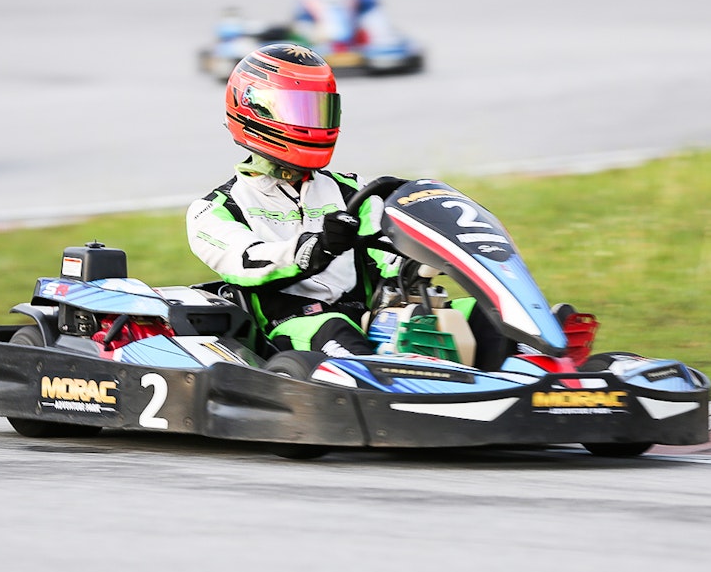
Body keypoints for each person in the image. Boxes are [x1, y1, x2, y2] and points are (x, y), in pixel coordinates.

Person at [186, 43, 512, 367]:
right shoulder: (216, 210)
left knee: (491, 317)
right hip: (294, 329)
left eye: (320, 110)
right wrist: (318, 248)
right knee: (336, 329)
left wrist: (426, 253)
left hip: (373, 319)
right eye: (300, 111)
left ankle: (525, 385)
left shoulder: (353, 191)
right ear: (256, 111)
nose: (314, 123)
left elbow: (389, 255)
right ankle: (384, 388)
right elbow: (248, 261)